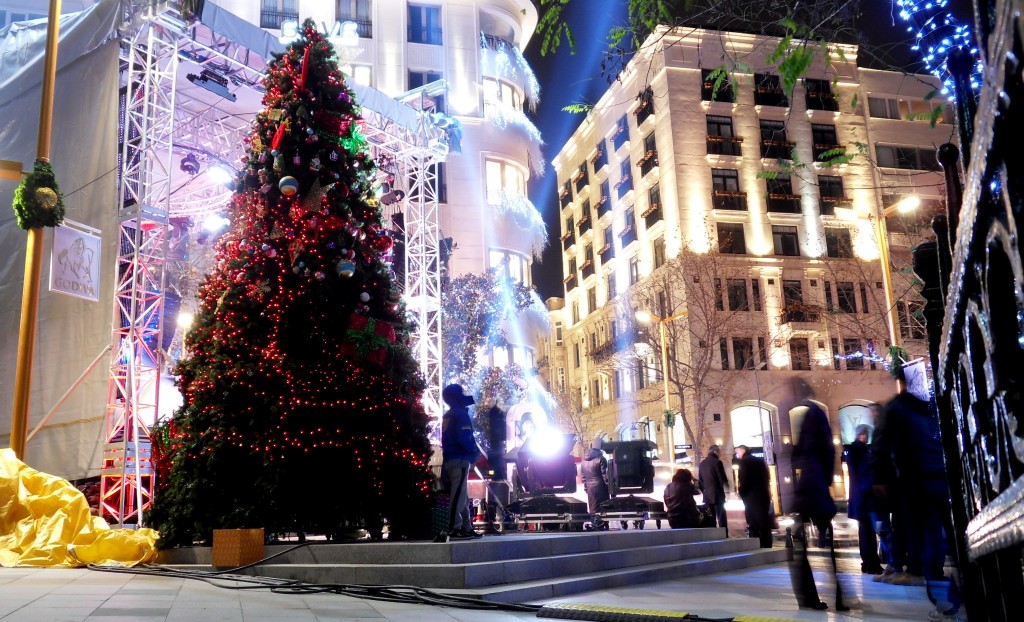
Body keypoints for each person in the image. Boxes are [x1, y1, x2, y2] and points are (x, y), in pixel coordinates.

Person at [787, 378, 847, 611]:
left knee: (805, 547)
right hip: (814, 487)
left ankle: (812, 598)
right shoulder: (814, 414)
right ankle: (832, 598)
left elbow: (813, 452)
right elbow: (825, 452)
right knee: (821, 547)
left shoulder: (811, 415)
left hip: (811, 487)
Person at [435, 383, 482, 542]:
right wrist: (474, 452)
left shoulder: (448, 415)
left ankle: (466, 527)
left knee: (461, 495)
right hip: (460, 459)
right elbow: (464, 438)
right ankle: (455, 527)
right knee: (458, 496)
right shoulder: (461, 415)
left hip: (451, 458)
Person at [845, 424, 884, 575]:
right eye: (865, 433)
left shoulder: (855, 450)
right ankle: (871, 563)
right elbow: (865, 474)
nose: (867, 436)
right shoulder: (860, 451)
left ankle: (868, 563)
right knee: (869, 532)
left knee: (866, 531)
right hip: (865, 497)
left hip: (859, 497)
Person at [735, 445, 773, 548]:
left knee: (753, 522)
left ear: (743, 450)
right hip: (763, 495)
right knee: (764, 521)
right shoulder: (759, 461)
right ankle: (767, 543)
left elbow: (743, 480)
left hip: (751, 497)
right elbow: (767, 477)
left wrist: (741, 492)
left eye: (737, 452)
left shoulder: (744, 462)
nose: (737, 455)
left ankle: (758, 544)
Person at [698, 444, 730, 535]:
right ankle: (723, 534)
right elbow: (721, 478)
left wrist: (704, 491)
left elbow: (700, 480)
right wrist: (726, 489)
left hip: (707, 495)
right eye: (719, 452)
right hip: (717, 494)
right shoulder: (717, 462)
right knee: (721, 516)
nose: (720, 454)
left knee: (710, 517)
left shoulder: (702, 464)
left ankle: (712, 534)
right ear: (715, 452)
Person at [580, 442, 610, 529]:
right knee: (603, 506)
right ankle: (604, 523)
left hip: (590, 487)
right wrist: (609, 487)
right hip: (601, 487)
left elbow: (583, 477)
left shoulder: (583, 461)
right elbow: (605, 475)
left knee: (593, 506)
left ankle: (595, 523)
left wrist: (586, 488)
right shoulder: (601, 459)